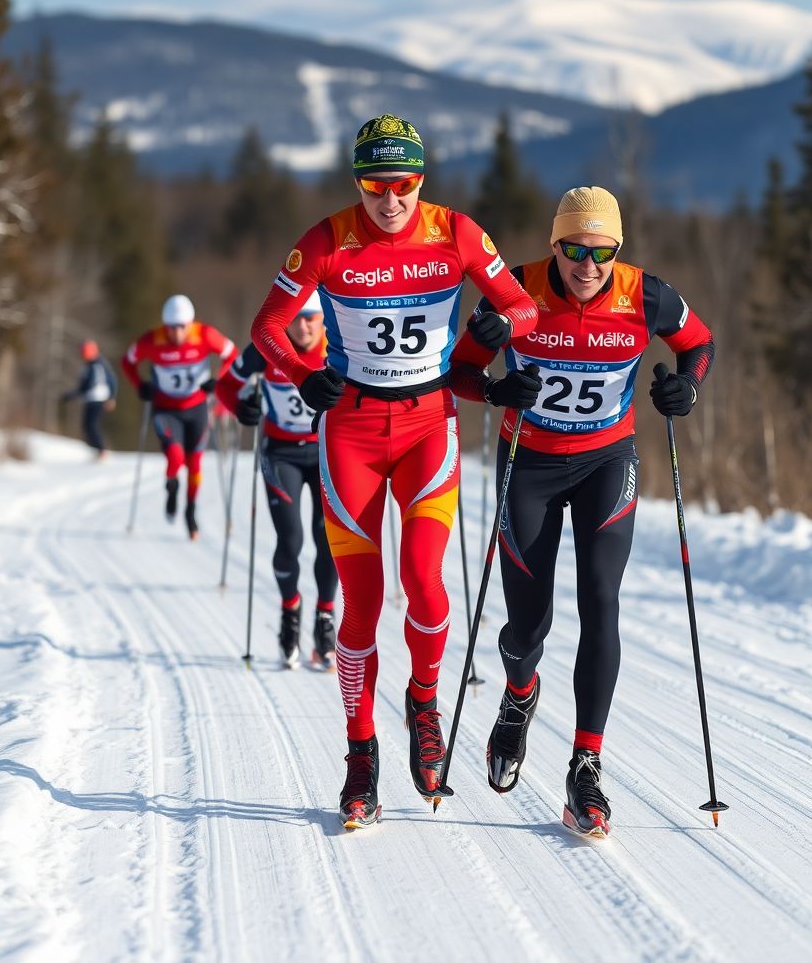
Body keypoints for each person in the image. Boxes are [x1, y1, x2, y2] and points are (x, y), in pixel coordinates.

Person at [250, 113, 538, 828]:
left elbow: (526, 306)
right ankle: (360, 756)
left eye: (404, 185)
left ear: (422, 181)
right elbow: (266, 329)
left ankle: (424, 699)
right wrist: (301, 374)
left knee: (425, 584)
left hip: (427, 428)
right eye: (376, 186)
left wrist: (505, 327)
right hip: (348, 431)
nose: (390, 202)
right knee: (362, 607)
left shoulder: (456, 233)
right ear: (358, 182)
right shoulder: (327, 240)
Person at [449, 186, 715, 838]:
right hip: (530, 465)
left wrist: (688, 388)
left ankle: (586, 767)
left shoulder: (647, 296)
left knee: (601, 598)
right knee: (527, 628)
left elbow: (700, 344)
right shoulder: (515, 290)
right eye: (574, 250)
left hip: (606, 462)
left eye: (602, 251)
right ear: (554, 246)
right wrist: (494, 390)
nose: (588, 265)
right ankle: (518, 698)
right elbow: (459, 370)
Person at [217, 293, 339, 670]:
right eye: (296, 319)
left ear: (323, 321)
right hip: (280, 453)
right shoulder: (268, 348)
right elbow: (224, 386)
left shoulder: (339, 347)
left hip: (325, 455)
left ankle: (324, 620)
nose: (301, 327)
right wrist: (242, 407)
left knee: (329, 539)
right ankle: (290, 614)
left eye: (310, 320)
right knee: (291, 539)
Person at [122, 295, 237, 540]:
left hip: (197, 409)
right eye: (171, 327)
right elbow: (127, 361)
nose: (176, 333)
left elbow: (232, 353)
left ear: (190, 323)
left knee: (195, 464)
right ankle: (172, 486)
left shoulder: (204, 335)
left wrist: (218, 381)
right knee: (175, 457)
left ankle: (190, 510)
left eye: (181, 327)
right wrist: (140, 385)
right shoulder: (152, 340)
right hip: (166, 409)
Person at [62, 340, 117, 459]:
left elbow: (92, 384)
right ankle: (97, 451)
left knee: (92, 425)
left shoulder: (98, 365)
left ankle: (101, 451)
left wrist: (112, 397)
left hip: (98, 399)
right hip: (91, 399)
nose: (84, 355)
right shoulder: (89, 365)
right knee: (87, 426)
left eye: (86, 353)